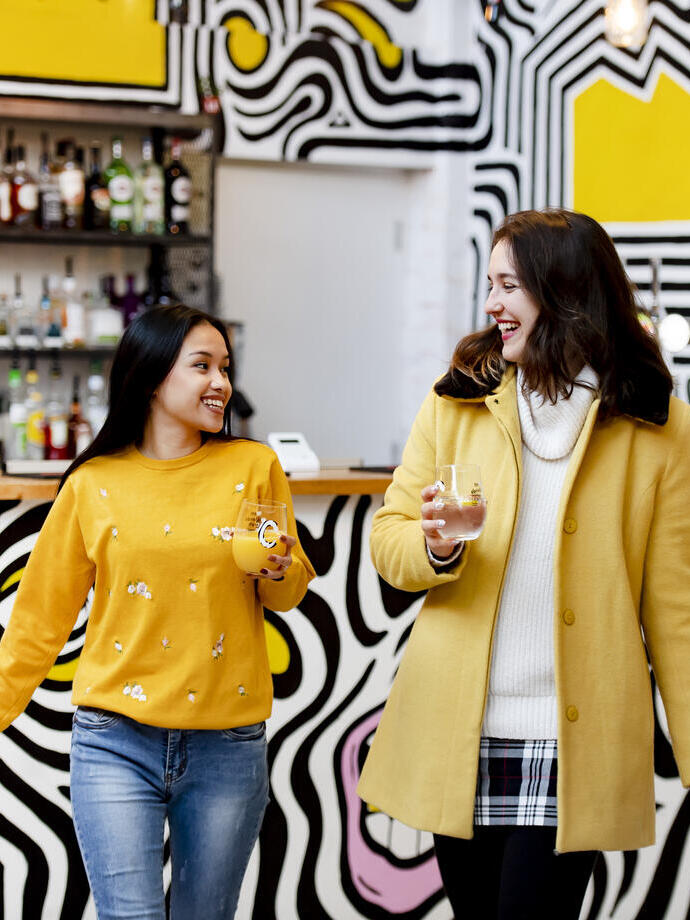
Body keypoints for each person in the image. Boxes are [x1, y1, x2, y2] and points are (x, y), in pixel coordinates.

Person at [357, 209, 690, 919]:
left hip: (575, 735)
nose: (490, 305)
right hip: (460, 728)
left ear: (563, 290)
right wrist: (437, 544)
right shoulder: (457, 400)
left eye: (508, 285)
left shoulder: (654, 422)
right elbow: (389, 541)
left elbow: (675, 609)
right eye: (488, 284)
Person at [0, 304, 315, 919]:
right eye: (202, 366)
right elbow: (38, 620)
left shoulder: (253, 467)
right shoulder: (93, 484)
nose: (221, 382)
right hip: (114, 740)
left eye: (225, 367)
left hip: (228, 744)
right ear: (150, 377)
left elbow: (287, 590)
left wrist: (278, 566)